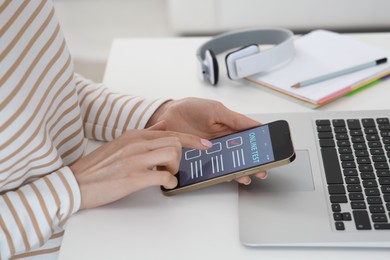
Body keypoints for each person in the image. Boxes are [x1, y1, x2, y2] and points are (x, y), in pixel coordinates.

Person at [0, 0, 267, 259]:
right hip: (55, 244)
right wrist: (72, 188)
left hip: (96, 218)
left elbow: (48, 86)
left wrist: (154, 116)